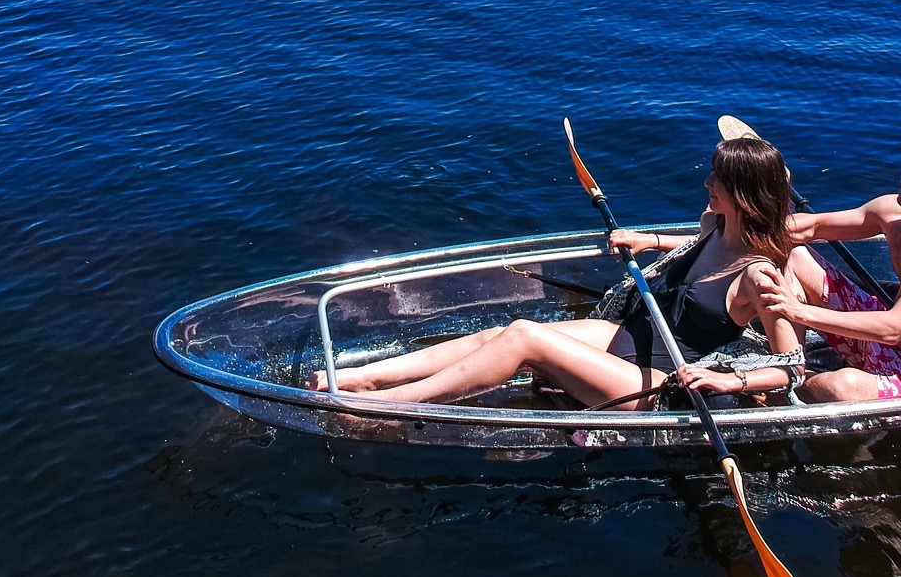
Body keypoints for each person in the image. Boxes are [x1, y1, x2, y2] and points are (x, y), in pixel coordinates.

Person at [310, 135, 807, 407]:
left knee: (526, 337)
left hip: (652, 380)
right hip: (626, 335)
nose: (706, 182)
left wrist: (728, 383)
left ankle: (397, 404)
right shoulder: (714, 226)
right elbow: (694, 246)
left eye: (717, 179)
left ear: (742, 193)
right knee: (496, 334)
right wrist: (648, 240)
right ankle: (361, 378)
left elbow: (791, 368)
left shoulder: (760, 278)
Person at [758, 126, 901, 402]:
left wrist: (798, 311)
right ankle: (791, 366)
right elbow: (812, 226)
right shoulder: (894, 214)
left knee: (841, 388)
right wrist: (745, 222)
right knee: (794, 255)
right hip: (879, 341)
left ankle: (789, 385)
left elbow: (892, 327)